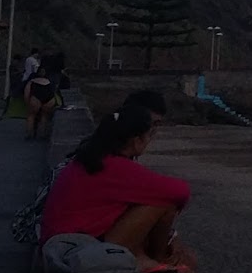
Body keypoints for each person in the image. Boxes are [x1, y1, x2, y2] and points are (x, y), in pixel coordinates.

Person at [39, 102, 227, 273]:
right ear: (137, 139)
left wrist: (171, 238)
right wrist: (166, 243)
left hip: (67, 248)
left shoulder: (92, 158)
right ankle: (155, 261)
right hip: (79, 257)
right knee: (164, 206)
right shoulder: (115, 167)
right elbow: (180, 192)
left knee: (187, 262)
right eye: (150, 135)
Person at [11, 91, 168, 245]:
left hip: (57, 232)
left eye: (157, 125)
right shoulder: (108, 157)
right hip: (65, 238)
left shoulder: (102, 145)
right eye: (150, 123)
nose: (152, 130)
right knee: (158, 205)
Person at [22, 65, 63, 140]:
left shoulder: (32, 82)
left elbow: (26, 94)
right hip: (49, 98)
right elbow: (54, 92)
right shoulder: (50, 81)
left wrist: (27, 103)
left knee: (31, 115)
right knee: (45, 116)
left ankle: (29, 134)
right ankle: (42, 134)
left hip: (36, 98)